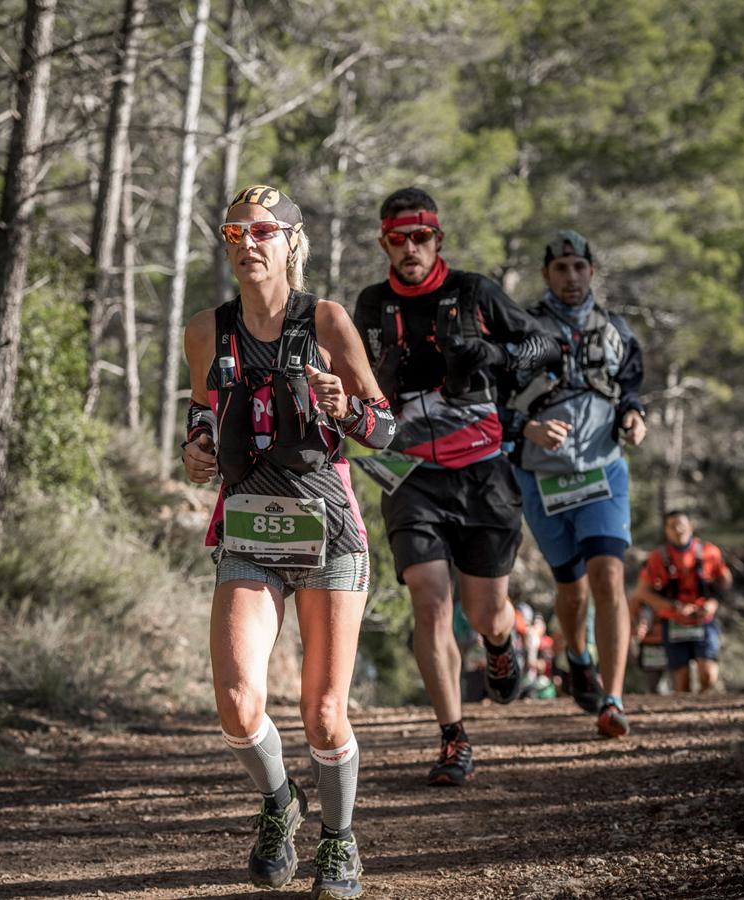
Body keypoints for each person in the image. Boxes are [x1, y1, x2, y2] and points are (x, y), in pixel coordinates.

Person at [181, 184, 396, 899]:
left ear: (291, 242)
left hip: (329, 529)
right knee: (239, 701)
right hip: (248, 524)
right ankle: (280, 802)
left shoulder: (328, 321)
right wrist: (196, 450)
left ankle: (340, 841)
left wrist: (348, 407)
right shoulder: (205, 331)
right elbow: (201, 416)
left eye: (263, 231)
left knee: (323, 712)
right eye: (234, 233)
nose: (248, 243)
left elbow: (386, 431)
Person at [352, 188, 560, 785]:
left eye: (421, 237)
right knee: (429, 596)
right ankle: (453, 737)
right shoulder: (371, 305)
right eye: (399, 237)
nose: (410, 248)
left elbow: (546, 344)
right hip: (410, 474)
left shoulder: (474, 292)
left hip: (484, 473)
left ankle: (499, 645)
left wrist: (490, 355)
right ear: (384, 242)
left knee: (486, 609)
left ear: (437, 239)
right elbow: (348, 374)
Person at [502, 229, 647, 738]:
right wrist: (529, 428)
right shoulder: (522, 329)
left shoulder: (617, 330)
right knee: (572, 586)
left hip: (603, 468)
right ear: (546, 274)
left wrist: (633, 416)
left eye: (579, 267)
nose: (571, 276)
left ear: (592, 271)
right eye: (560, 268)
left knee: (609, 574)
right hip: (541, 476)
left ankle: (613, 699)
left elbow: (631, 387)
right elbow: (494, 402)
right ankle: (577, 654)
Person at [630, 510, 733, 693]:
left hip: (704, 620)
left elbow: (725, 582)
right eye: (672, 526)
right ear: (666, 530)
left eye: (681, 525)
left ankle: (702, 705)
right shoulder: (657, 557)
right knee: (681, 681)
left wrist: (713, 603)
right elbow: (642, 592)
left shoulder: (710, 551)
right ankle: (687, 715)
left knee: (708, 675)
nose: (678, 529)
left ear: (690, 526)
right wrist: (673, 607)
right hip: (673, 621)